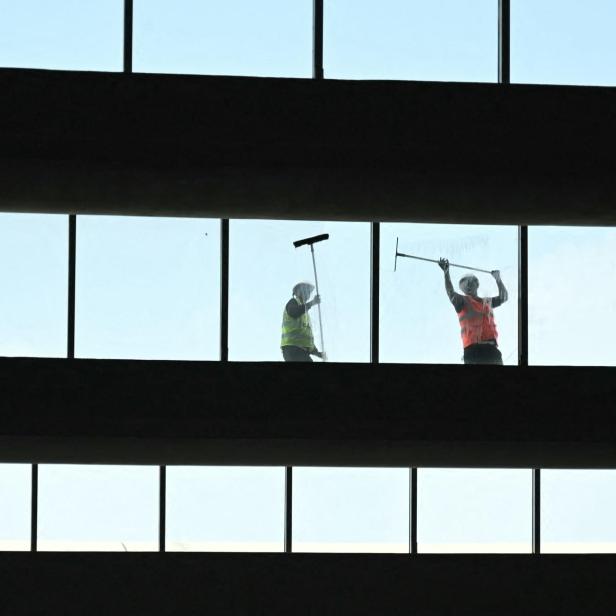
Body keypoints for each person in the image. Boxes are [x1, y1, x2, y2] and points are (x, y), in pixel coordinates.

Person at [438, 258, 508, 365]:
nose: (468, 286)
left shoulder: (487, 302)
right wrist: (446, 273)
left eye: (470, 282)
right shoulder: (462, 301)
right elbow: (451, 293)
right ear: (462, 289)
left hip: (491, 350)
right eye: (464, 285)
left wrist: (498, 279)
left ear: (477, 284)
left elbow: (503, 297)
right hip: (473, 351)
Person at [281, 282, 324, 362]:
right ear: (297, 292)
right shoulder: (293, 302)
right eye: (305, 290)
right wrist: (312, 303)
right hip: (292, 348)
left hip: (300, 350)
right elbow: (294, 312)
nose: (307, 293)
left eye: (309, 292)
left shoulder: (305, 313)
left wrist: (317, 353)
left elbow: (305, 336)